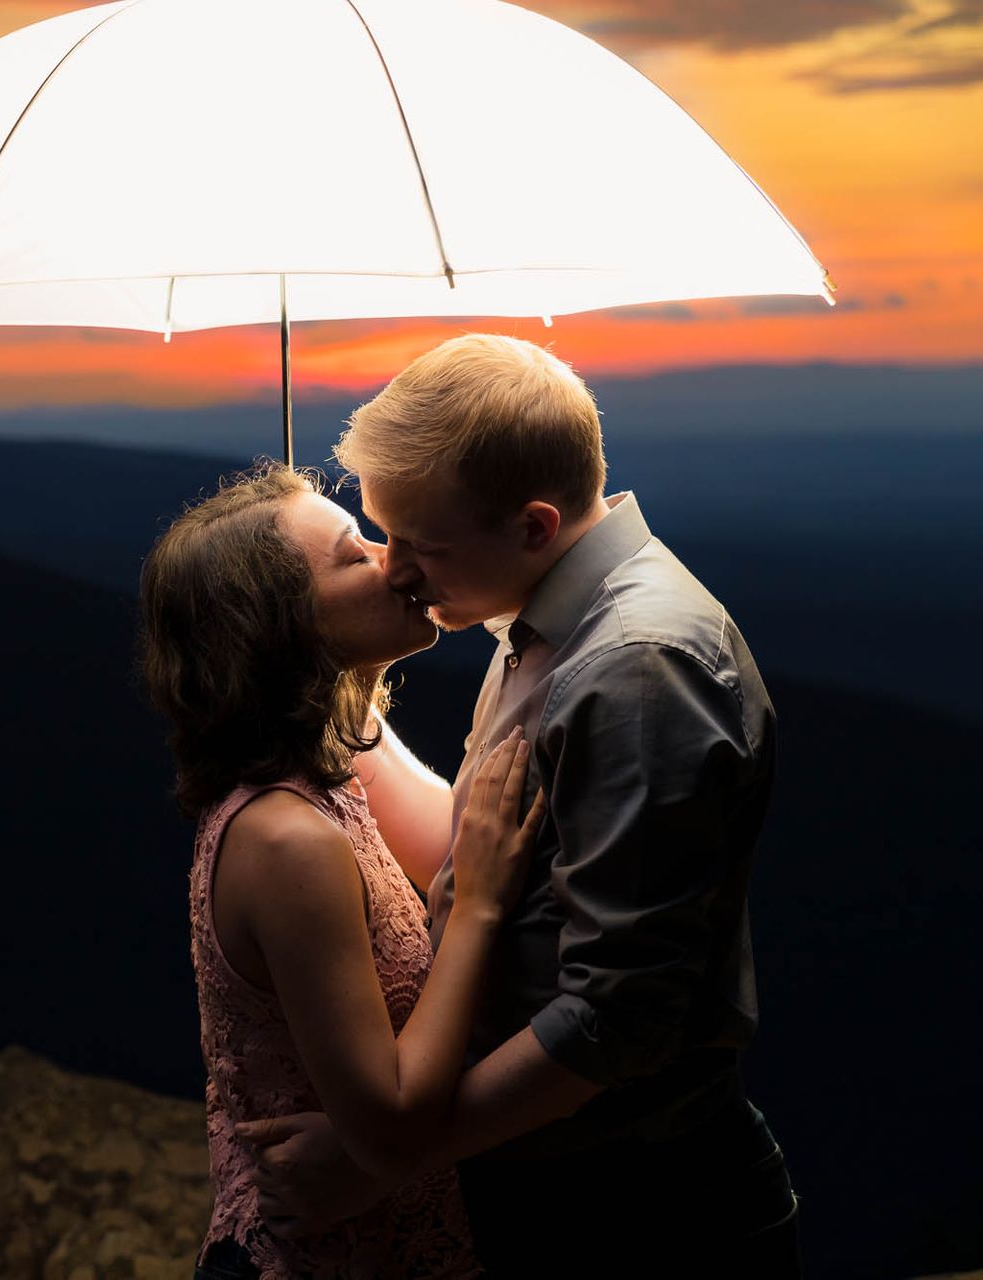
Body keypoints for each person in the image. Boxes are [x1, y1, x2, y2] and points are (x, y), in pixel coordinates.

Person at [234, 333, 800, 1278]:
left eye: (425, 545)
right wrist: (316, 682)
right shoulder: (544, 616)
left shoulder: (636, 668)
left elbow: (616, 1017)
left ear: (534, 524)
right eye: (387, 535)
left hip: (648, 1215)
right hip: (573, 1194)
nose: (397, 570)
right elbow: (483, 848)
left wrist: (388, 1155)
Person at [140, 463, 548, 1279]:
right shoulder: (288, 842)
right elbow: (389, 1124)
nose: (391, 559)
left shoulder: (325, 780)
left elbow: (435, 828)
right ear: (284, 631)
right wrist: (477, 910)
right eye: (352, 553)